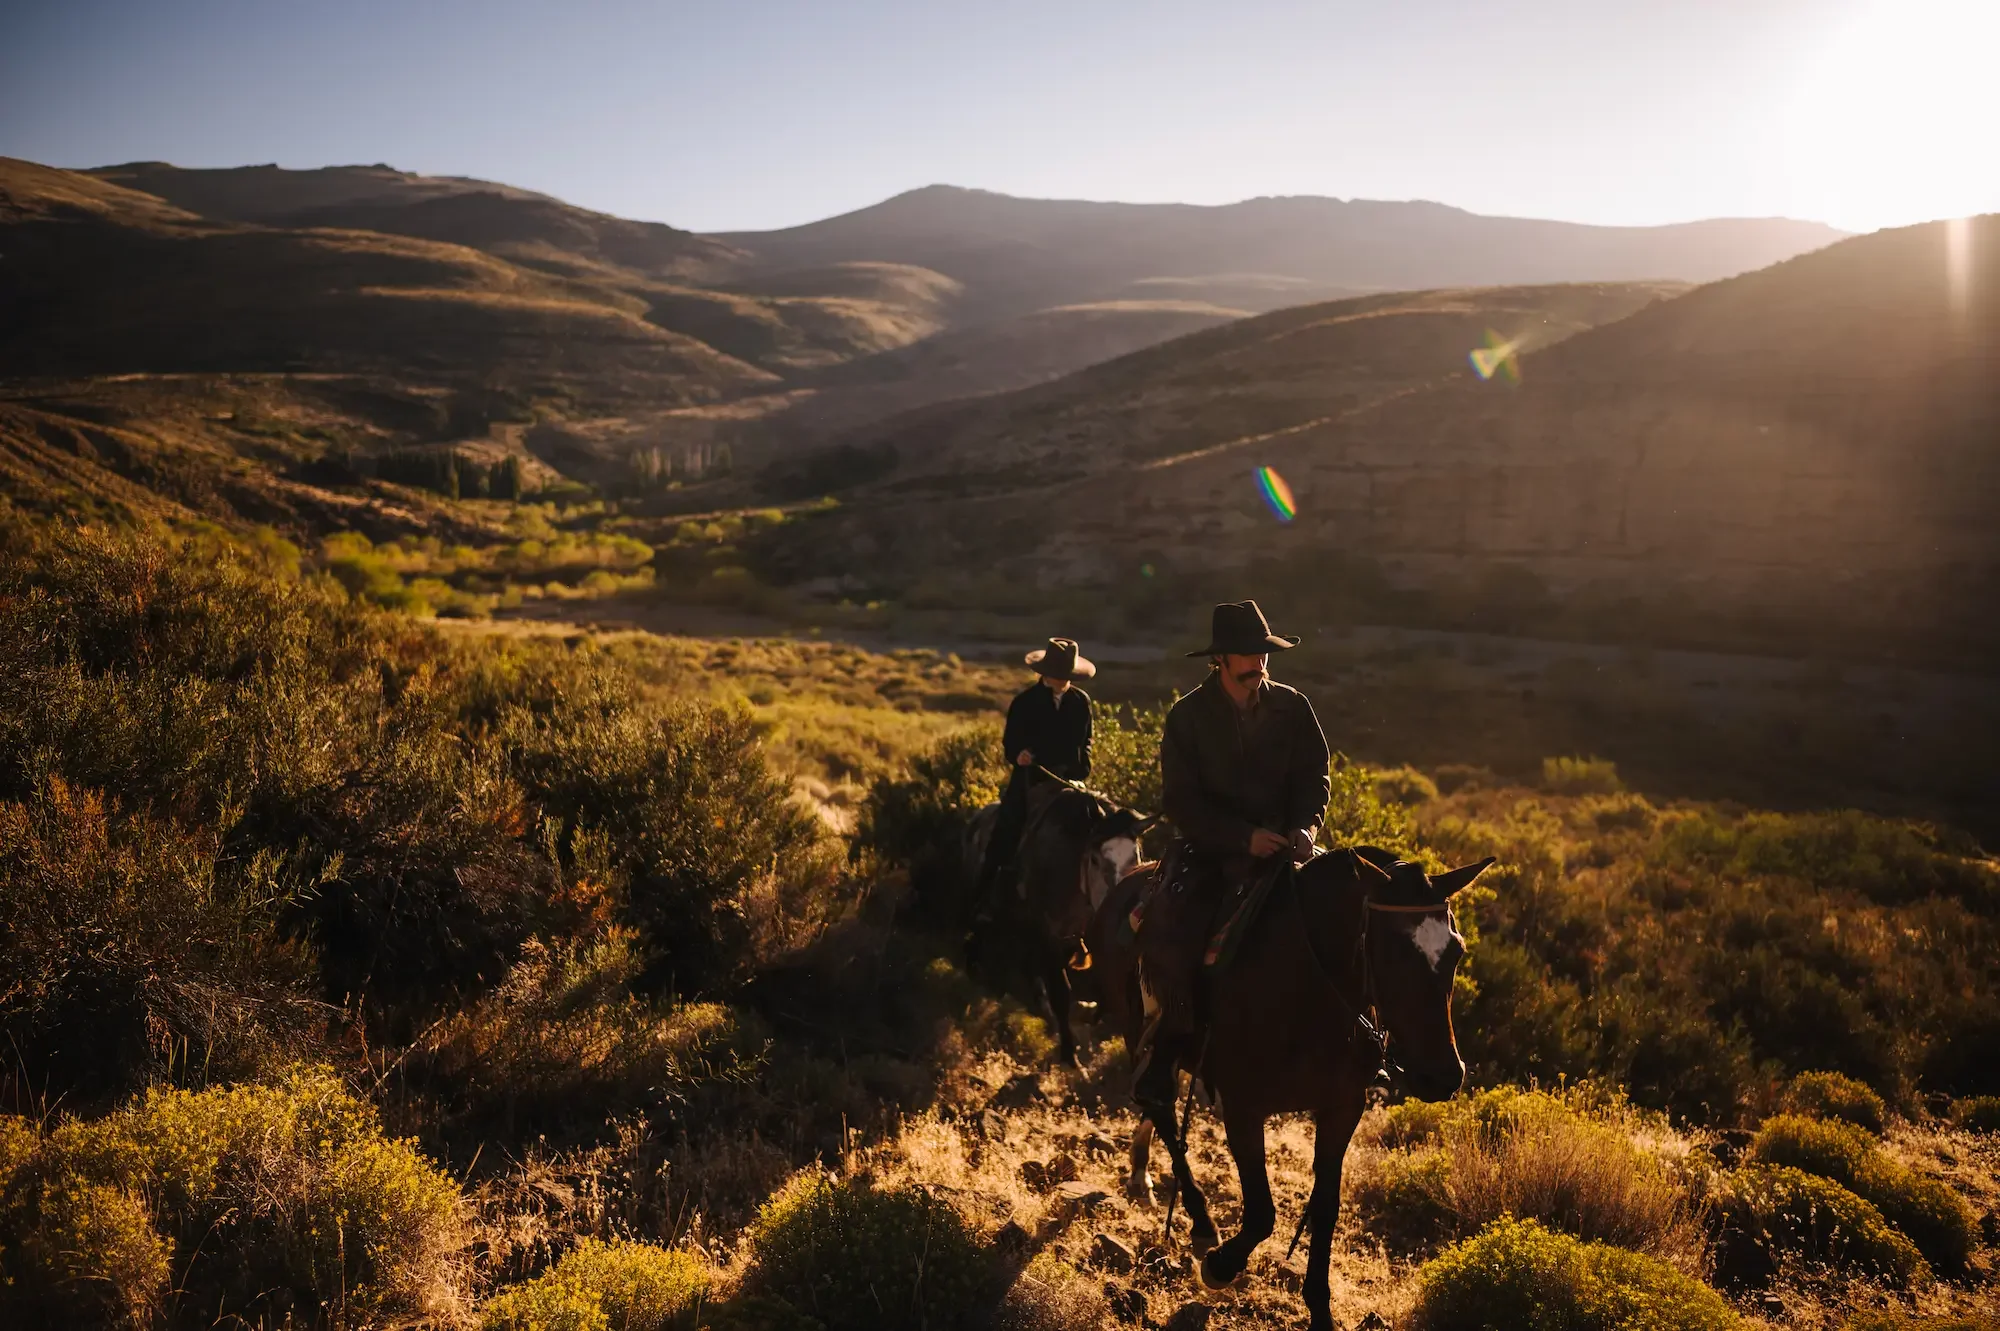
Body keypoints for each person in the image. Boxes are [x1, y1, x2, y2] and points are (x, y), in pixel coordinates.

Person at [1133, 600, 1330, 1110]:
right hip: (1213, 851)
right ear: (1220, 660)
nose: (1259, 663)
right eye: (1247, 655)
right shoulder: (1188, 716)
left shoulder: (1294, 706)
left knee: (1345, 917)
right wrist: (1241, 838)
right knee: (1179, 932)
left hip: (1288, 848)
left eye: (1263, 653)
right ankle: (1168, 1049)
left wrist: (1305, 828)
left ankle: (1358, 1046)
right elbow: (1180, 801)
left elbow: (1315, 780)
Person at [970, 637, 1096, 922]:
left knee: (1095, 826)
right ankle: (984, 901)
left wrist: (1080, 770)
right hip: (1030, 778)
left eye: (1066, 675)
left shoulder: (1080, 702)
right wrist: (1019, 755)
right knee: (1007, 830)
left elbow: (1086, 742)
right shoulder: (1025, 702)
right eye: (1058, 674)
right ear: (1044, 672)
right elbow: (1010, 743)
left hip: (1068, 781)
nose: (1062, 680)